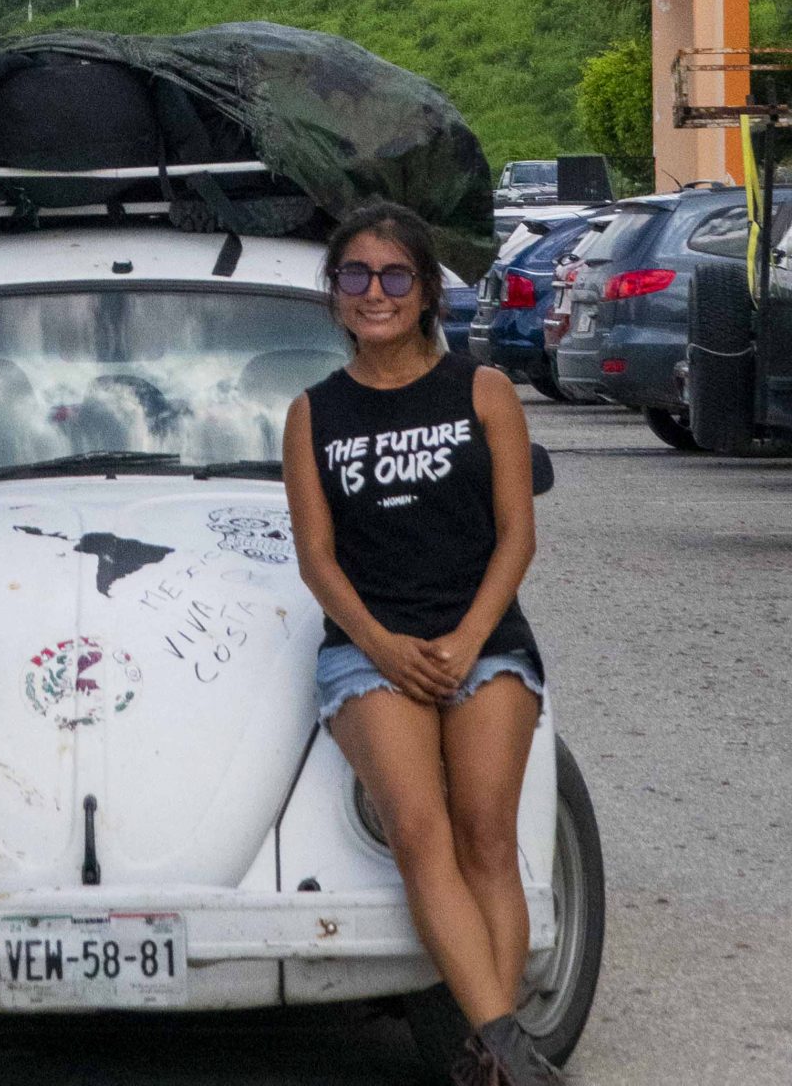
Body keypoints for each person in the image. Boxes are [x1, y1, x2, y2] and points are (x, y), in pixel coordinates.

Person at [283, 203, 557, 1086]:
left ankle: (487, 1057)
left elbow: (517, 536)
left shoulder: (483, 392)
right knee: (419, 830)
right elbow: (317, 561)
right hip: (368, 650)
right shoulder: (312, 413)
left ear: (428, 290)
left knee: (487, 836)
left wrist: (470, 638)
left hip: (485, 639)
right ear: (334, 295)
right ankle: (508, 1050)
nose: (375, 293)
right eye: (355, 276)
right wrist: (384, 645)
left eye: (395, 275)